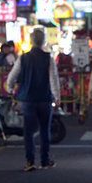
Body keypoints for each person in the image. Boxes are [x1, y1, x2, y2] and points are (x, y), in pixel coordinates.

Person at [7, 28, 60, 171]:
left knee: (28, 131)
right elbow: (53, 79)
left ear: (30, 41)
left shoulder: (23, 58)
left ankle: (30, 162)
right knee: (44, 130)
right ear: (44, 41)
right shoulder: (48, 58)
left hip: (27, 100)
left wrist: (10, 89)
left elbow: (11, 78)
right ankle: (44, 160)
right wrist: (57, 96)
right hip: (44, 99)